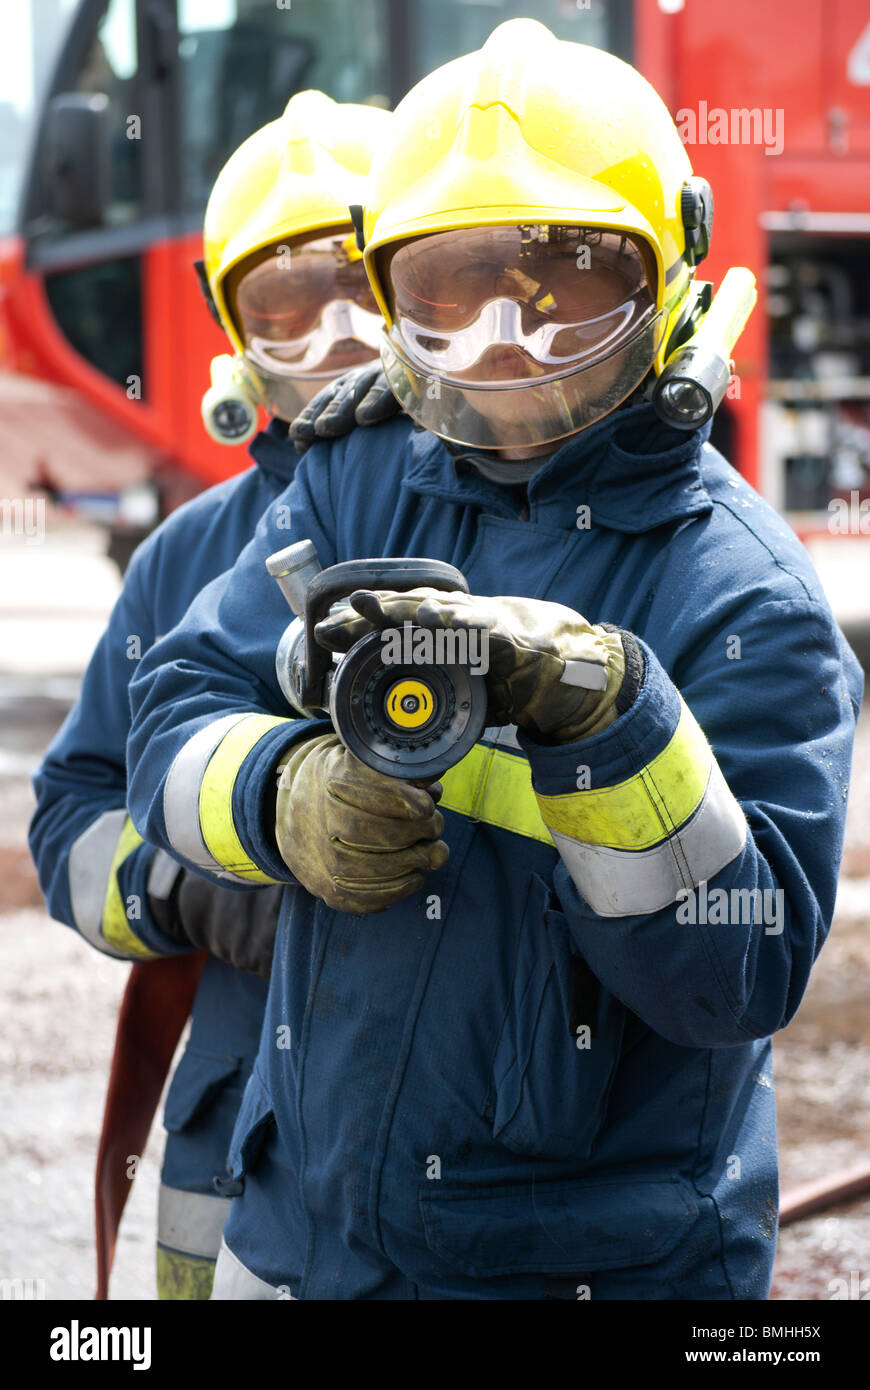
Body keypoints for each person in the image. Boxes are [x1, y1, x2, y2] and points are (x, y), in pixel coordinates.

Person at [125, 21, 862, 1300]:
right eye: (446, 302)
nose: (501, 347)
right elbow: (172, 712)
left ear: (673, 268)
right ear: (389, 291)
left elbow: (737, 975)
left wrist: (613, 724)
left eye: (562, 290)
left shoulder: (744, 594)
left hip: (584, 1273)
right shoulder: (356, 481)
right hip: (304, 1242)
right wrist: (280, 797)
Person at [29, 90, 393, 1300]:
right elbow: (72, 805)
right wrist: (175, 882)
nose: (335, 336)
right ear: (235, 335)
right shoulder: (189, 559)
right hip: (235, 1143)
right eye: (286, 306)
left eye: (360, 285)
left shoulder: (518, 522)